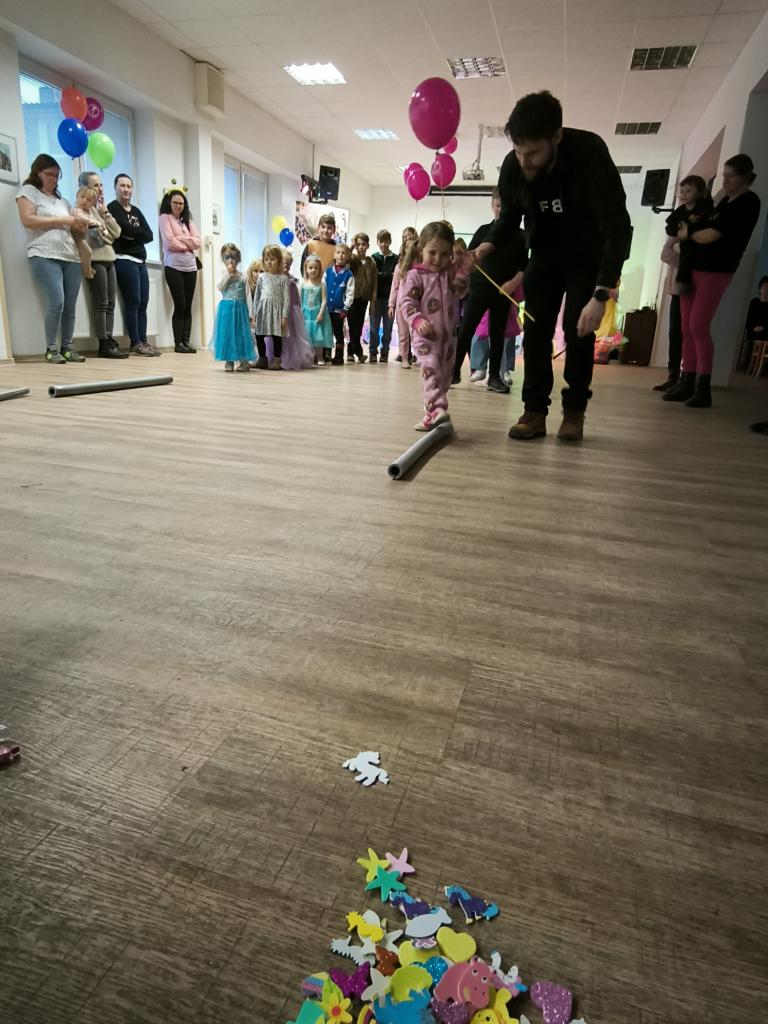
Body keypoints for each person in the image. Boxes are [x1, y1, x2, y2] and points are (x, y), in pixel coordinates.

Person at [473, 91, 632, 441]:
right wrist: (486, 245)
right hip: (544, 254)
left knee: (579, 331)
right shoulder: (515, 165)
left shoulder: (589, 152)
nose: (524, 161)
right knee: (535, 332)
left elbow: (617, 227)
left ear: (556, 137)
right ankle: (534, 411)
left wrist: (601, 293)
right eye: (518, 151)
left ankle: (574, 411)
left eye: (532, 153)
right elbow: (509, 217)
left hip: (586, 256)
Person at [664, 154, 761, 408]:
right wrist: (692, 231)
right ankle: (687, 379)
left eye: (730, 177)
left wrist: (689, 233)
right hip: (693, 268)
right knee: (686, 325)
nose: (725, 181)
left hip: (717, 270)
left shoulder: (749, 202)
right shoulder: (723, 201)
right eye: (724, 176)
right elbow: (700, 227)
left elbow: (711, 235)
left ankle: (702, 386)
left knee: (698, 324)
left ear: (745, 177)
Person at [16, 154, 92, 363]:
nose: (54, 179)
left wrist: (82, 224)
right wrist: (62, 219)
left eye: (57, 175)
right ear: (37, 172)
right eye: (49, 174)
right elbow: (27, 220)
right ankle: (51, 348)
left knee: (71, 305)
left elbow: (74, 229)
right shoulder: (28, 192)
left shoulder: (63, 201)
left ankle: (68, 347)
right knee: (57, 301)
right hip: (44, 253)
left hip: (71, 256)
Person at [454, 189, 527, 394]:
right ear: (492, 205)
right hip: (479, 288)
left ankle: (494, 376)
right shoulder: (484, 230)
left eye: (505, 207)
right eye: (498, 206)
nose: (501, 210)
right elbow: (470, 258)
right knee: (466, 329)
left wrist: (513, 283)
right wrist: (469, 261)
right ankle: (454, 371)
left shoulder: (520, 235)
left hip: (504, 291)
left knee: (497, 334)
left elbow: (524, 266)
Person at [398, 221, 469, 432]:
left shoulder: (449, 274)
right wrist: (418, 320)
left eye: (445, 254)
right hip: (425, 337)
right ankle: (436, 409)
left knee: (444, 378)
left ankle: (433, 414)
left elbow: (460, 292)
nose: (438, 259)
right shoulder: (414, 275)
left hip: (448, 338)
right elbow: (406, 302)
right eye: (432, 253)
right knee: (430, 370)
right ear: (421, 249)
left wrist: (464, 271)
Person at [654, 176, 711, 391]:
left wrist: (686, 246)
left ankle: (691, 376)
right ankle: (674, 375)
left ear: (699, 192)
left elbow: (700, 249)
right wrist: (682, 249)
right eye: (682, 191)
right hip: (679, 284)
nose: (684, 194)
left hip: (696, 283)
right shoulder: (677, 220)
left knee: (693, 330)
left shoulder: (705, 216)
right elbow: (666, 253)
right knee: (676, 332)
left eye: (689, 190)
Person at [108, 173, 159, 357]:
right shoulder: (112, 208)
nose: (126, 189)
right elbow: (122, 229)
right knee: (133, 301)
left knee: (143, 302)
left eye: (129, 186)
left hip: (140, 260)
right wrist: (136, 234)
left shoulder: (136, 210)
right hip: (124, 258)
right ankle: (135, 342)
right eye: (122, 185)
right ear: (115, 187)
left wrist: (132, 234)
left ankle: (143, 341)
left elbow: (149, 235)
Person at [78, 170, 127, 359]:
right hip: (96, 260)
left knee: (111, 303)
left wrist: (105, 211)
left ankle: (109, 337)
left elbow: (116, 233)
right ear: (84, 188)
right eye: (95, 185)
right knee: (101, 302)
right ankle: (103, 343)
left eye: (101, 185)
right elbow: (97, 237)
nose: (99, 189)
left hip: (109, 259)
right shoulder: (81, 210)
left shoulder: (99, 210)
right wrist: (104, 234)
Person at [159, 188, 201, 353]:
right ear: (169, 203)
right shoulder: (165, 218)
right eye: (175, 202)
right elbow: (169, 242)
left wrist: (182, 239)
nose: (178, 205)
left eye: (181, 203)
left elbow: (198, 242)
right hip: (173, 266)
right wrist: (187, 245)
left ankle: (186, 341)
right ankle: (178, 343)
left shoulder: (187, 221)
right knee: (180, 304)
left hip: (191, 267)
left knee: (188, 305)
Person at [210, 243, 254, 372]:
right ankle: (229, 361)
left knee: (241, 335)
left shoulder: (243, 277)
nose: (230, 261)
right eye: (227, 258)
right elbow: (220, 287)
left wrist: (251, 314)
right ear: (223, 260)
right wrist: (228, 275)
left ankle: (244, 361)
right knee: (227, 335)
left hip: (240, 310)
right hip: (227, 310)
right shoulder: (223, 275)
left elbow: (248, 296)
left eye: (233, 258)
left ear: (238, 259)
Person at [249, 244, 290, 370]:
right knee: (259, 335)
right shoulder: (262, 277)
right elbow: (257, 296)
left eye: (272, 259)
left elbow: (286, 299)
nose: (269, 262)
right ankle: (262, 359)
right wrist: (254, 313)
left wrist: (284, 316)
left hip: (276, 313)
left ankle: (277, 360)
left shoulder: (283, 279)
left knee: (277, 337)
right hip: (263, 311)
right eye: (266, 259)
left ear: (279, 260)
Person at [469, 294, 523, 385]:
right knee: (486, 332)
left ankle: (500, 373)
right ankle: (485, 370)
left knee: (503, 336)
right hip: (487, 293)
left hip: (506, 293)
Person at [281, 250, 315, 370]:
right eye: (284, 264)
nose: (286, 267)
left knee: (291, 336)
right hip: (279, 311)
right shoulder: (276, 280)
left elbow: (296, 300)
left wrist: (298, 313)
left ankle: (290, 357)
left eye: (288, 265)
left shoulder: (292, 282)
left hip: (291, 312)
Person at [389, 227, 418, 367]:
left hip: (416, 303)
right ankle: (404, 358)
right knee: (403, 333)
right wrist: (391, 305)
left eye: (410, 235)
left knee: (416, 332)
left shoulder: (419, 266)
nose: (407, 238)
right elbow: (394, 287)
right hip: (401, 304)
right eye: (405, 236)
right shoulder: (399, 267)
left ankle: (418, 356)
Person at [325, 243, 355, 364]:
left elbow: (350, 293)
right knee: (327, 332)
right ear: (334, 255)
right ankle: (326, 353)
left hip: (339, 310)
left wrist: (346, 308)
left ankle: (339, 356)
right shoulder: (328, 272)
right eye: (338, 252)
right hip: (327, 308)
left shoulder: (349, 274)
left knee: (338, 333)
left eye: (343, 253)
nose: (341, 255)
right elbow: (323, 287)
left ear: (347, 256)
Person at [348, 233, 376, 363]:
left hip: (364, 298)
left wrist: (373, 301)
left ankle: (351, 351)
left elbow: (374, 282)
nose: (361, 247)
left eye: (363, 244)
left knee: (358, 327)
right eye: (358, 244)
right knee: (352, 326)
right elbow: (344, 258)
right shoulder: (352, 259)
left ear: (368, 246)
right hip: (352, 298)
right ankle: (358, 353)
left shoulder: (371, 262)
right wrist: (351, 246)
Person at [370, 230, 397, 362]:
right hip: (376, 298)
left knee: (387, 329)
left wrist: (380, 275)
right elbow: (373, 276)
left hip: (390, 300)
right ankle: (373, 352)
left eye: (386, 241)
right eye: (381, 242)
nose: (384, 244)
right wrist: (387, 275)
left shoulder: (395, 258)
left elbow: (395, 278)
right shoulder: (373, 257)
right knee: (373, 328)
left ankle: (385, 352)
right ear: (377, 242)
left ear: (390, 242)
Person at [301, 254, 333, 364]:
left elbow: (324, 300)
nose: (313, 270)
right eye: (310, 268)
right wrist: (300, 314)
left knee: (318, 337)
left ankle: (320, 357)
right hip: (306, 313)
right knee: (307, 336)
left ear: (319, 270)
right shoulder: (303, 284)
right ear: (306, 269)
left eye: (316, 268)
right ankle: (309, 357)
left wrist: (320, 313)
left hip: (317, 313)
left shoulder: (322, 284)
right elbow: (300, 301)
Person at [745, 275, 768, 349]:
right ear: (760, 289)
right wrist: (754, 328)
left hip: (765, 336)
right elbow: (747, 321)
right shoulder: (753, 303)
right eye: (764, 286)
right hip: (753, 334)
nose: (766, 288)